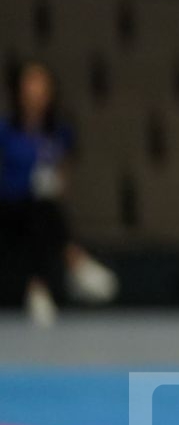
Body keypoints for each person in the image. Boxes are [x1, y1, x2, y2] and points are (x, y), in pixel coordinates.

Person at [0, 62, 116, 326]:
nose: (35, 91)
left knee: (42, 211)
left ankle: (37, 289)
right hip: (7, 207)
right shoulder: (6, 130)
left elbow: (64, 174)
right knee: (34, 208)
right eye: (30, 84)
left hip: (40, 210)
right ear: (19, 91)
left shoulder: (60, 131)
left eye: (41, 85)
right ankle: (75, 261)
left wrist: (54, 183)